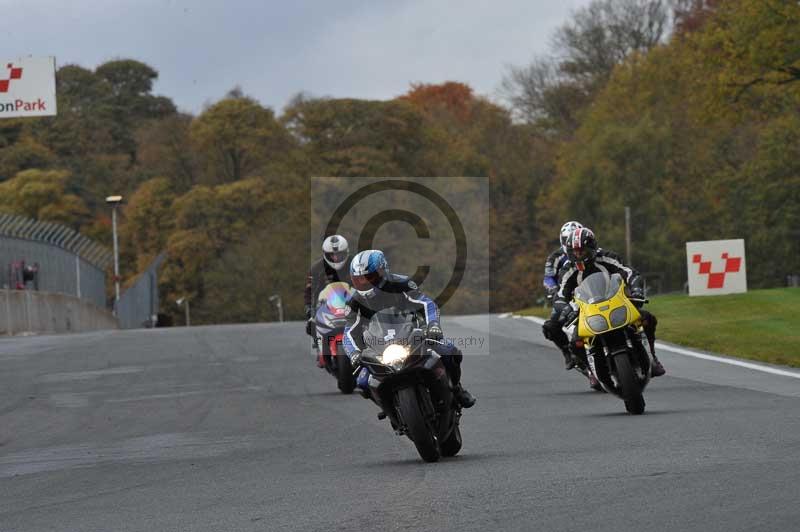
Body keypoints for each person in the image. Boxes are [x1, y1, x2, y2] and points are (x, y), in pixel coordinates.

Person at [343, 249, 476, 408]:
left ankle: (456, 389)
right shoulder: (354, 302)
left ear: (383, 271)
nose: (364, 283)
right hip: (379, 345)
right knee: (363, 382)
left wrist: (433, 325)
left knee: (450, 351)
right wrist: (353, 353)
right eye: (359, 280)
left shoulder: (401, 284)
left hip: (414, 334)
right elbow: (348, 331)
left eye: (369, 277)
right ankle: (391, 409)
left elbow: (427, 304)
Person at [542, 227, 666, 377]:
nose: (578, 254)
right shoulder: (568, 270)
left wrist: (636, 290)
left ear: (592, 247)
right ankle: (591, 372)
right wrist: (567, 310)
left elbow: (630, 273)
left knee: (647, 319)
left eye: (582, 250)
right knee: (576, 343)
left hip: (616, 302)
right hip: (587, 310)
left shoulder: (607, 257)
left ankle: (652, 358)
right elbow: (560, 295)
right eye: (574, 251)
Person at [304, 235, 350, 354]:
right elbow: (309, 291)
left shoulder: (354, 263)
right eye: (332, 255)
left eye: (339, 254)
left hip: (352, 302)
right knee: (310, 324)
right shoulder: (316, 268)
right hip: (325, 304)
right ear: (325, 254)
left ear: (346, 252)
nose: (335, 258)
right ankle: (321, 349)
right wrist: (309, 308)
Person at [543, 221, 583, 297]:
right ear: (562, 239)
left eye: (573, 239)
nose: (570, 243)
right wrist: (553, 289)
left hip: (588, 293)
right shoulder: (555, 257)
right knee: (558, 307)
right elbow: (548, 277)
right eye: (567, 239)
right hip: (566, 294)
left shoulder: (589, 252)